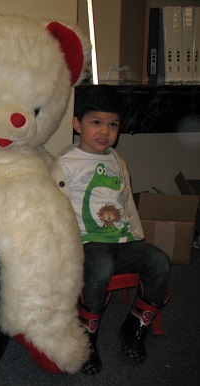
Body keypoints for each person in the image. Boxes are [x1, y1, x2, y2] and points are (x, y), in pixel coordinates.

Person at [51, 85, 170, 375]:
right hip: (86, 243)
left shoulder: (117, 160)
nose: (105, 131)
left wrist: (135, 234)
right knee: (101, 265)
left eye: (112, 124)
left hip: (122, 240)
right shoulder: (65, 164)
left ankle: (135, 325)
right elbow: (53, 208)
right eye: (96, 123)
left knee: (160, 261)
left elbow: (125, 199)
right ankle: (87, 334)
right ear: (77, 124)